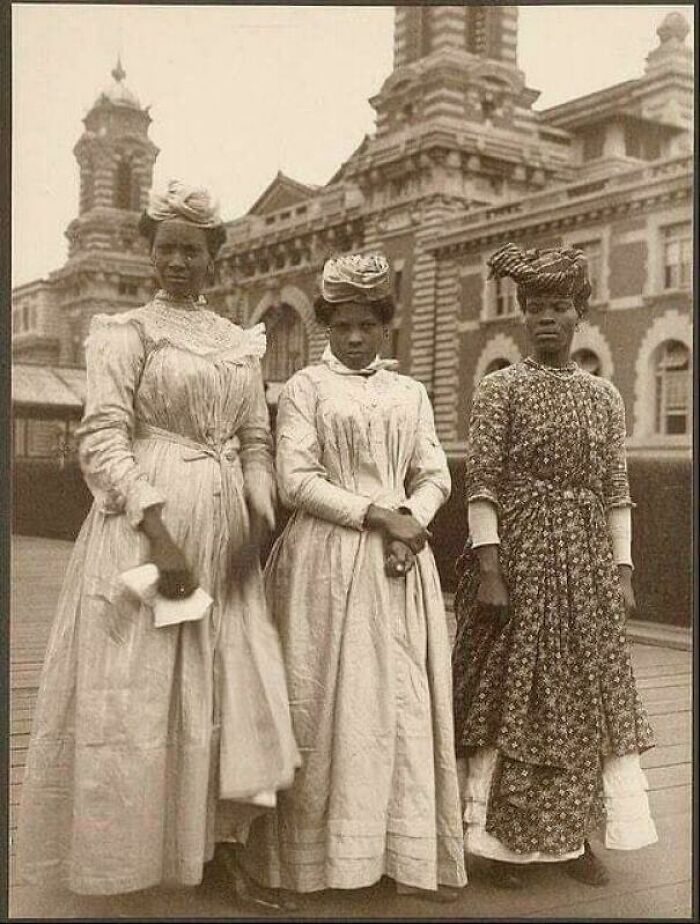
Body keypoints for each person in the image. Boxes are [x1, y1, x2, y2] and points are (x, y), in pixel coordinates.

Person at [15, 181, 300, 909]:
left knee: (228, 689)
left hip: (223, 525)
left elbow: (256, 439)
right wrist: (154, 526)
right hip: (147, 528)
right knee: (140, 690)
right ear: (152, 252)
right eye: (165, 247)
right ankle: (126, 856)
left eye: (192, 250)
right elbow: (103, 436)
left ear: (214, 257)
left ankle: (217, 849)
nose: (177, 261)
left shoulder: (240, 343)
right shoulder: (125, 330)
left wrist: (259, 511)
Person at [243, 253, 467, 902]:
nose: (355, 336)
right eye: (342, 325)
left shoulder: (410, 392)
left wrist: (410, 521)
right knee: (327, 706)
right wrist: (378, 517)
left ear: (386, 326)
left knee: (398, 705)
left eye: (368, 324)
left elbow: (433, 474)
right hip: (327, 560)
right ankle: (321, 863)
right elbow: (296, 480)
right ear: (326, 326)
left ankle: (399, 854)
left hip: (400, 566)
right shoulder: (308, 388)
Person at [452, 243, 657, 889]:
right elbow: (482, 482)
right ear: (522, 316)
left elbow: (616, 486)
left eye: (559, 307)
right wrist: (490, 570)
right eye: (535, 307)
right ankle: (496, 843)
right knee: (514, 695)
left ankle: (574, 840)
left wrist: (621, 570)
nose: (547, 319)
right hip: (519, 554)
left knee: (583, 698)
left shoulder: (602, 396)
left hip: (586, 564)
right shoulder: (500, 388)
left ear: (578, 314)